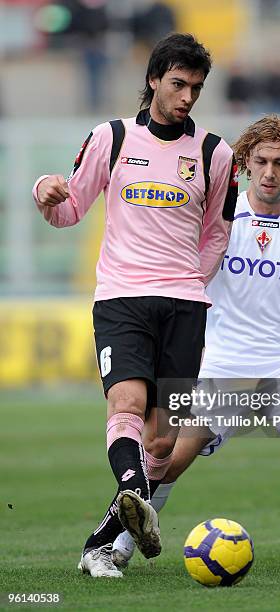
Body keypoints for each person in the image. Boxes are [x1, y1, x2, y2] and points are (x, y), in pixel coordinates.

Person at [113, 114, 280, 569]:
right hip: (221, 365)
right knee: (166, 458)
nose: (270, 172)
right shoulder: (218, 221)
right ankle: (116, 547)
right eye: (261, 161)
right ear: (244, 165)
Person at [32, 33, 238, 578]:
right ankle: (130, 495)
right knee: (125, 405)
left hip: (185, 304)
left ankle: (102, 541)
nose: (187, 96)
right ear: (153, 80)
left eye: (196, 87)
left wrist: (193, 278)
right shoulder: (113, 137)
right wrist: (44, 191)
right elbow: (70, 207)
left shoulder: (218, 154)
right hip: (122, 297)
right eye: (178, 84)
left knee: (163, 442)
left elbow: (218, 232)